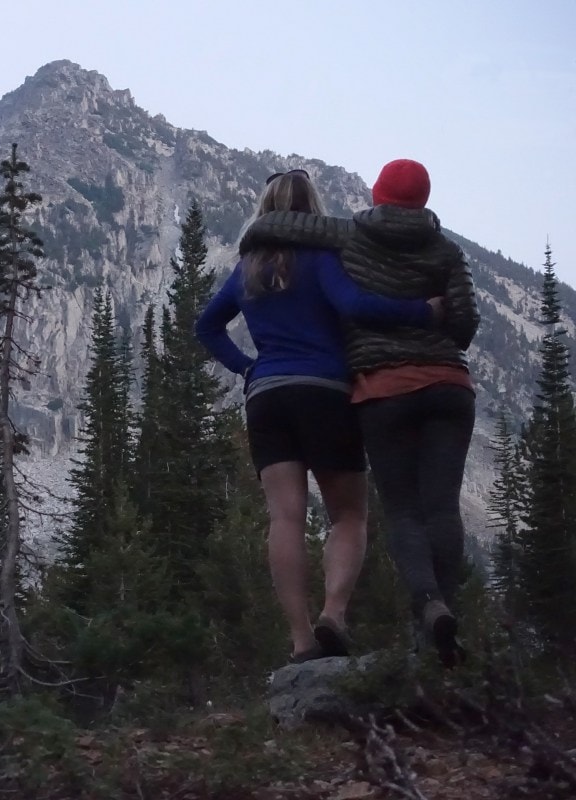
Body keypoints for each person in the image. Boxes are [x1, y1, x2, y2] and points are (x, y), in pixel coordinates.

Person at [195, 169, 442, 663]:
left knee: (284, 515)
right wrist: (422, 312)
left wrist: (248, 368)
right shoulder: (323, 257)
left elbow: (207, 326)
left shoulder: (248, 266)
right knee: (349, 514)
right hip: (326, 392)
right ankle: (334, 612)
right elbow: (356, 304)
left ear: (265, 208)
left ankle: (302, 640)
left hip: (267, 396)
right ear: (313, 208)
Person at [239, 159, 479, 667]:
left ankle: (324, 633)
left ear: (377, 193)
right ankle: (423, 620)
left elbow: (289, 236)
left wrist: (247, 367)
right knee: (424, 508)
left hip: (371, 389)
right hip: (427, 386)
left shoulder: (349, 238)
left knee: (379, 512)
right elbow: (460, 324)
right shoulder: (446, 250)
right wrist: (428, 314)